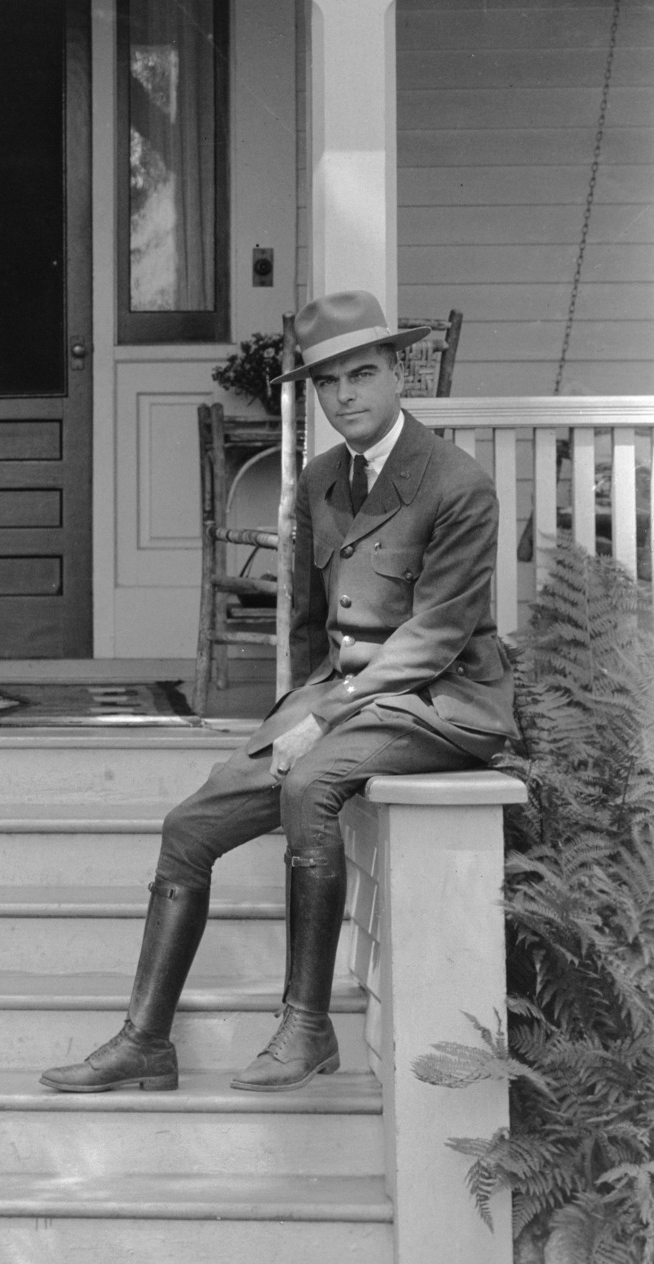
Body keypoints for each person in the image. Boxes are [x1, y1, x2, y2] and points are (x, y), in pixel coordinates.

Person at [42, 290, 518, 1095]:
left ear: (396, 374)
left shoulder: (455, 484)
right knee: (187, 826)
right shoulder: (321, 479)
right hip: (344, 701)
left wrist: (320, 723)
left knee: (310, 781)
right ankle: (144, 1041)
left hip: (441, 702)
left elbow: (433, 637)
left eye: (361, 375)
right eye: (328, 384)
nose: (345, 398)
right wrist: (294, 714)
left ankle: (306, 1029)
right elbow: (304, 627)